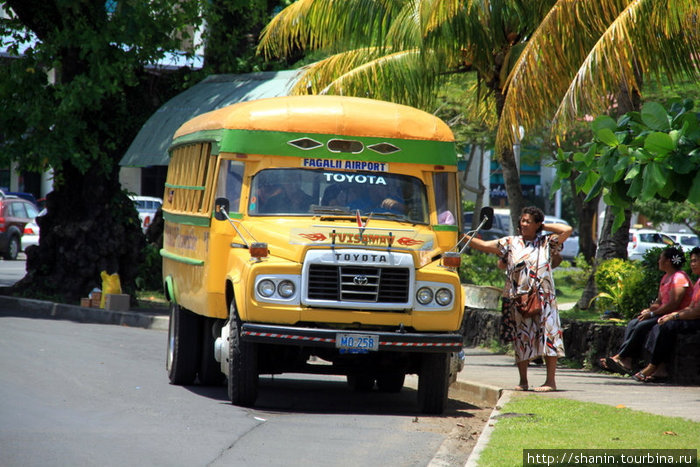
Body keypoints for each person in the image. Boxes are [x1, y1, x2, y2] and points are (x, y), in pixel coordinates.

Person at [468, 206, 572, 392]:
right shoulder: (510, 242)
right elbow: (483, 246)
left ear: (537, 224)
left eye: (528, 221)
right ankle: (523, 381)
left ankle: (550, 381)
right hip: (520, 299)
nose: (523, 224)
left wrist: (542, 226)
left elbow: (567, 230)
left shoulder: (547, 242)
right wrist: (460, 236)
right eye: (522, 221)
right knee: (522, 338)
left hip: (545, 298)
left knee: (548, 336)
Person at [599, 246, 692, 376]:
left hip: (673, 315)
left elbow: (673, 304)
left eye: (661, 258)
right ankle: (627, 360)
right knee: (633, 323)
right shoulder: (666, 277)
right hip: (662, 313)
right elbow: (660, 301)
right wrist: (649, 309)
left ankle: (620, 356)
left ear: (668, 261)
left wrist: (653, 313)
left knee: (643, 326)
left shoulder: (679, 277)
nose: (658, 261)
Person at [632, 247, 700, 383]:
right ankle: (657, 367)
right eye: (692, 261)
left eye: (696, 261)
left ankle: (653, 366)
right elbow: (691, 307)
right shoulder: (698, 281)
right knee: (659, 324)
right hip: (692, 316)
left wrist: (673, 316)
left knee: (667, 326)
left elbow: (696, 311)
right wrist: (673, 314)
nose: (693, 264)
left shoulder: (679, 277)